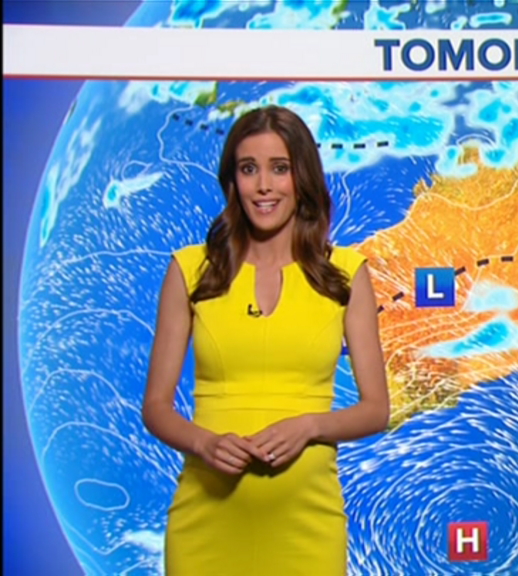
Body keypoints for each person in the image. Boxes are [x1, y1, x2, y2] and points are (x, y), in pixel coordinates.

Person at [142, 105, 390, 575]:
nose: (263, 185)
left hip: (306, 526)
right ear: (232, 180)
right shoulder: (190, 270)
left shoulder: (344, 275)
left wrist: (310, 427)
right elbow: (156, 407)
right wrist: (204, 443)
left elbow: (376, 409)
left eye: (279, 168)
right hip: (206, 526)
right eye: (248, 168)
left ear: (303, 178)